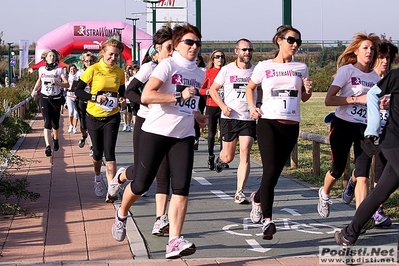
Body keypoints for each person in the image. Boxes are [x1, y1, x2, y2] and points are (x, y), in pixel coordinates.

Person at [111, 23, 208, 259]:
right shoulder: (167, 64)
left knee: (182, 188)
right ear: (176, 45)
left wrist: (197, 115)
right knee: (142, 184)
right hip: (155, 132)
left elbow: (189, 104)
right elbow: (146, 95)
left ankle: (174, 241)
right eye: (189, 42)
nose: (194, 47)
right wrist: (177, 95)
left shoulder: (200, 73)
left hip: (183, 136)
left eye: (197, 43)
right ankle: (122, 213)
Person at [245, 25, 313, 240]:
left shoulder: (301, 67)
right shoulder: (264, 66)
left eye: (298, 42)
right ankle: (268, 220)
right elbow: (250, 87)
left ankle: (257, 197)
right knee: (270, 168)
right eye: (291, 40)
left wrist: (308, 90)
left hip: (291, 124)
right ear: (279, 40)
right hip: (268, 122)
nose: (295, 45)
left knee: (275, 174)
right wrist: (251, 107)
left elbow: (303, 98)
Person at [108, 26, 174, 236]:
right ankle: (120, 178)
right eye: (169, 47)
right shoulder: (149, 68)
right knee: (142, 174)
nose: (173, 51)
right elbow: (129, 92)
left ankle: (160, 219)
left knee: (164, 172)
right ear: (158, 48)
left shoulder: (177, 68)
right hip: (146, 122)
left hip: (167, 123)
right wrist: (148, 103)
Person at [317, 32, 381, 219]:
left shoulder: (376, 78)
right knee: (337, 169)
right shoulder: (347, 71)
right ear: (356, 51)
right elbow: (329, 100)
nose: (369, 51)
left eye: (372, 49)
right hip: (343, 124)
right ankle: (325, 193)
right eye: (365, 48)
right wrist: (356, 99)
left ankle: (359, 219)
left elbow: (377, 102)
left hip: (364, 128)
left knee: (362, 174)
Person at [335, 66, 399, 247]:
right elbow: (372, 94)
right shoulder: (396, 76)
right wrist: (373, 126)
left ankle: (348, 234)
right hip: (394, 142)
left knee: (380, 193)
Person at [75, 39, 126, 202]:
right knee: (97, 153)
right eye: (110, 54)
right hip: (94, 116)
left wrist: (122, 101)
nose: (113, 58)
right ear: (103, 53)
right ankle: (98, 178)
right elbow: (78, 92)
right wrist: (95, 97)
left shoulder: (120, 72)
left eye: (116, 55)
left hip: (112, 116)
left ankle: (112, 190)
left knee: (110, 152)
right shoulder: (93, 69)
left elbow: (121, 93)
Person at [208, 38, 258, 204]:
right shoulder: (227, 70)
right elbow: (213, 90)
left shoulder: (256, 71)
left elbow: (262, 89)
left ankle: (239, 192)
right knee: (228, 156)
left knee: (245, 152)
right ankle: (221, 160)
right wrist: (222, 106)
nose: (247, 53)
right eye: (244, 50)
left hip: (247, 118)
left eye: (250, 50)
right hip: (229, 117)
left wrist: (257, 105)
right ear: (236, 51)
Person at [30, 49, 69, 157]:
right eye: (50, 56)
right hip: (44, 97)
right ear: (45, 58)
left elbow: (67, 84)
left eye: (53, 56)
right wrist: (34, 90)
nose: (52, 57)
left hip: (56, 98)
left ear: (56, 58)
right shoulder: (41, 69)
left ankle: (55, 140)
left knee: (55, 124)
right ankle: (47, 146)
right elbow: (39, 80)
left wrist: (58, 83)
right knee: (47, 122)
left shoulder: (59, 70)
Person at [199, 50, 226, 170]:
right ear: (213, 59)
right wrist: (208, 92)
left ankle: (222, 158)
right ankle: (210, 156)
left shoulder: (227, 72)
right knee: (211, 134)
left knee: (224, 134)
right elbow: (200, 89)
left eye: (222, 57)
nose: (220, 59)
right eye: (217, 57)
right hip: (211, 105)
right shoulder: (208, 73)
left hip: (225, 106)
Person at [76, 51, 97, 154]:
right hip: (82, 99)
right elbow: (76, 87)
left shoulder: (97, 71)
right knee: (83, 124)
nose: (89, 63)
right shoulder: (80, 72)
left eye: (91, 61)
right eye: (87, 61)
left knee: (92, 124)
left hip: (93, 99)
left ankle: (93, 147)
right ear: (83, 62)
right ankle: (84, 136)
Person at [66, 64, 79, 134]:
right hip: (69, 96)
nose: (72, 70)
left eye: (74, 69)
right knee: (71, 111)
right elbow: (65, 85)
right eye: (71, 69)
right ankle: (70, 125)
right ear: (69, 70)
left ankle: (75, 127)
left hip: (76, 97)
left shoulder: (78, 76)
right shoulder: (67, 77)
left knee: (76, 113)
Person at [121, 65, 135, 132]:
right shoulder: (122, 82)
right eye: (125, 74)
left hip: (129, 98)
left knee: (129, 112)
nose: (126, 75)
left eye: (127, 74)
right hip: (124, 97)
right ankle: (125, 124)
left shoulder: (130, 80)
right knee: (124, 111)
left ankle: (129, 125)